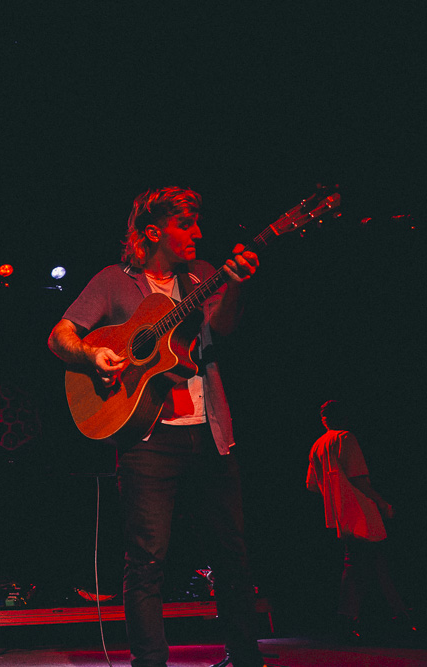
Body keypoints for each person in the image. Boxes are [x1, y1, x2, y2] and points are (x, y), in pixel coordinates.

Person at [48, 187, 263, 667]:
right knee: (146, 563)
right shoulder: (113, 281)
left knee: (232, 555)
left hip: (210, 430)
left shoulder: (205, 276)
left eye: (197, 224)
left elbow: (223, 328)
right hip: (148, 440)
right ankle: (149, 662)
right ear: (153, 232)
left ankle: (246, 658)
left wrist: (238, 284)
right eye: (186, 225)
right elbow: (60, 335)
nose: (198, 234)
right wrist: (90, 353)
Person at [305, 399, 414, 641]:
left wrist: (333, 494)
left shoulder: (317, 446)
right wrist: (382, 503)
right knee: (362, 565)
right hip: (360, 512)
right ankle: (353, 619)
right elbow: (358, 478)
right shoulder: (345, 438)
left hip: (342, 517)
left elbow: (312, 486)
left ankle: (398, 615)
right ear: (343, 417)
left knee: (369, 563)